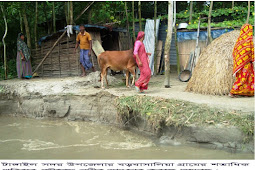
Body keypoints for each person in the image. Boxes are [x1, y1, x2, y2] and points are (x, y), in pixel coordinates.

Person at [229, 24, 254, 97]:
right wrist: (252, 59)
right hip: (245, 63)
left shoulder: (239, 41)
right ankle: (233, 91)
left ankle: (246, 93)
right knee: (243, 78)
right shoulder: (249, 40)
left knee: (246, 78)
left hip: (239, 63)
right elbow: (250, 51)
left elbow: (234, 52)